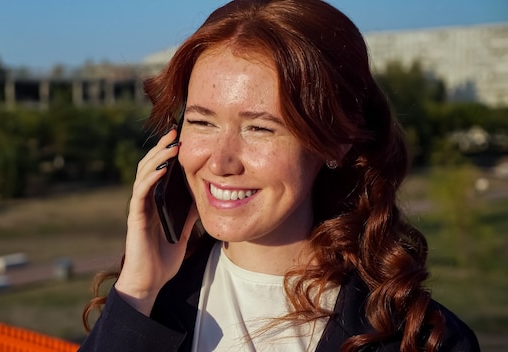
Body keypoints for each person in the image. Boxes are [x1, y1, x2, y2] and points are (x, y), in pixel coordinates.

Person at [78, 0, 480, 351]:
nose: (220, 162)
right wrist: (138, 292)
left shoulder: (420, 340)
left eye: (259, 128)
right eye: (202, 122)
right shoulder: (146, 306)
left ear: (334, 141)